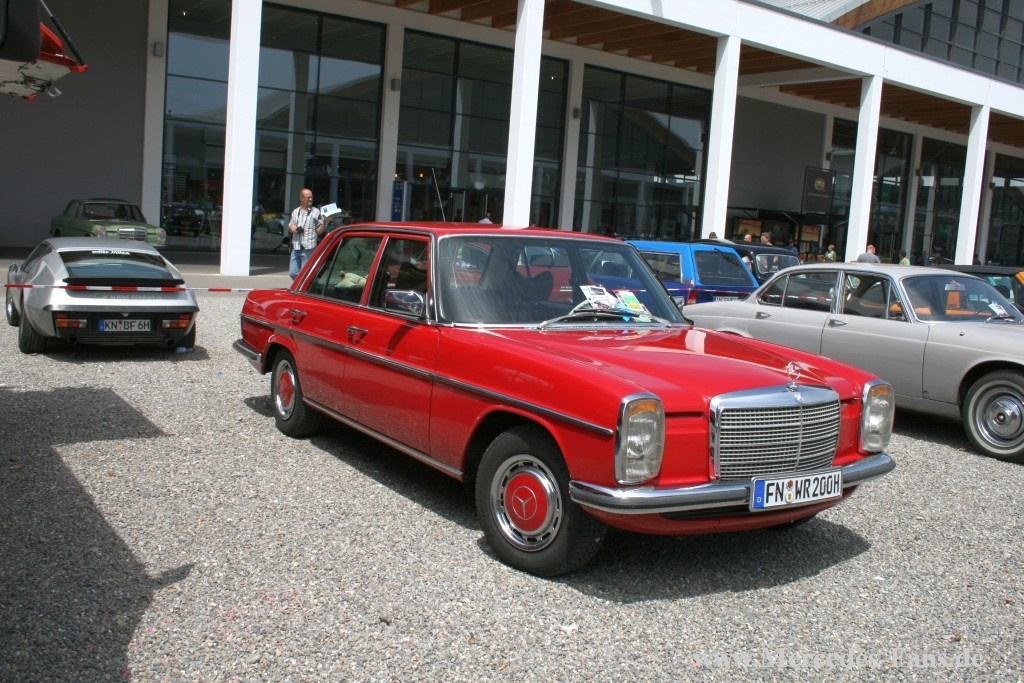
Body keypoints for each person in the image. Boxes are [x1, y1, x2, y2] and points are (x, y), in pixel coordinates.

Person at [288, 188, 324, 279]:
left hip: (309, 248)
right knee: (292, 273)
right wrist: (292, 227)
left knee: (304, 274)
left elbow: (319, 231)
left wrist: (325, 223)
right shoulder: (296, 212)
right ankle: (307, 285)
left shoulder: (316, 212)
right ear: (301, 198)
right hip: (296, 246)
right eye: (308, 197)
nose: (310, 199)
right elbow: (290, 226)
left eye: (311, 197)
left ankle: (303, 286)